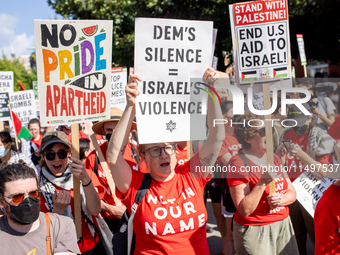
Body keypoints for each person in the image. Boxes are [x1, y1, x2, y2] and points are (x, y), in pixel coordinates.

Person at [107, 67, 225, 254]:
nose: (164, 154)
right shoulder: (136, 185)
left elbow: (217, 136)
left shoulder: (192, 174)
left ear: (176, 152)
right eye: (155, 150)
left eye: (168, 147)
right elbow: (113, 158)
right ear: (143, 155)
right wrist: (131, 105)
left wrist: (209, 91)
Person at [228, 111, 298, 255]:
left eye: (270, 129)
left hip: (283, 224)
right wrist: (261, 184)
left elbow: (292, 193)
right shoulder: (238, 163)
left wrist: (282, 199)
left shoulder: (274, 158)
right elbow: (244, 210)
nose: (269, 134)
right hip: (255, 229)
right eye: (262, 131)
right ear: (247, 137)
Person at [277, 103, 335, 255]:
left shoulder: (323, 137)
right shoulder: (286, 134)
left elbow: (325, 173)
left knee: (318, 238)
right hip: (291, 192)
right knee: (295, 239)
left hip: (312, 194)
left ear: (310, 118)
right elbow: (280, 166)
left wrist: (302, 155)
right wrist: (279, 155)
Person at [38, 131, 105, 254]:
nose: (57, 159)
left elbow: (95, 210)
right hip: (61, 250)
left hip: (90, 246)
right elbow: (40, 231)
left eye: (62, 154)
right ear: (42, 156)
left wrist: (85, 180)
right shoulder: (37, 186)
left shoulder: (85, 174)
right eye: (50, 155)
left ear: (69, 153)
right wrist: (57, 211)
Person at [0, 163, 80, 254]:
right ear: (1, 202)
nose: (28, 201)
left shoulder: (60, 225)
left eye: (33, 194)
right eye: (18, 197)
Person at [85, 107, 142, 233]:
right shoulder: (93, 158)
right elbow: (90, 196)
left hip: (138, 217)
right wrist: (111, 209)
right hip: (109, 221)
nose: (114, 134)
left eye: (118, 129)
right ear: (103, 132)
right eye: (109, 130)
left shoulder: (139, 153)